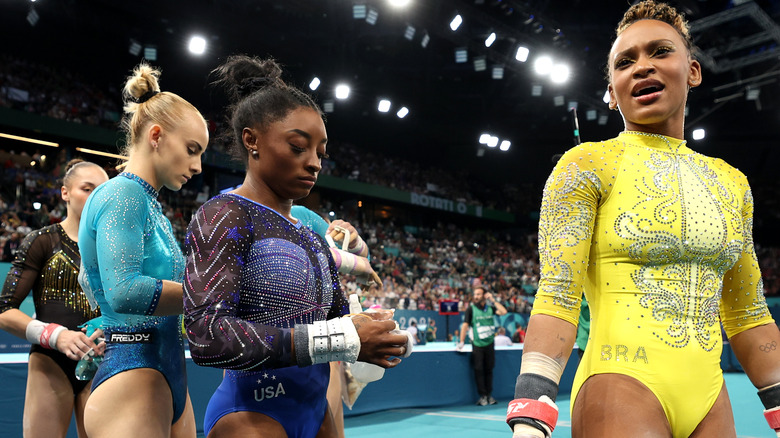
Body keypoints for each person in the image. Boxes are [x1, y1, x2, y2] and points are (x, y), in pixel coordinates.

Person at [505, 2, 780, 437]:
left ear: (692, 71)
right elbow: (558, 296)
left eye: (660, 52)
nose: (642, 67)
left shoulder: (732, 184)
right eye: (625, 62)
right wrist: (530, 408)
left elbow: (748, 313)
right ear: (612, 93)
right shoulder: (586, 165)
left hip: (710, 394)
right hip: (619, 382)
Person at [183, 55, 410, 438]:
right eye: (298, 147)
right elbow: (206, 334)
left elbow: (338, 322)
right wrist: (342, 338)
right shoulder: (225, 213)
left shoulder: (309, 235)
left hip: (316, 410)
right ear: (251, 140)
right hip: (252, 414)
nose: (314, 163)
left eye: (321, 152)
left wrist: (376, 333)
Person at [78, 63, 208, 438]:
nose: (198, 166)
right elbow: (125, 290)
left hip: (165, 374)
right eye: (192, 150)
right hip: (133, 376)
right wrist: (210, 296)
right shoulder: (123, 194)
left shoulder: (151, 206)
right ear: (156, 136)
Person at [0, 159, 108, 437]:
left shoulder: (114, 251)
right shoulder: (41, 241)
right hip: (50, 363)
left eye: (103, 191)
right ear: (65, 193)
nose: (96, 197)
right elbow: (4, 310)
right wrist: (56, 336)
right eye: (87, 188)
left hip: (102, 360)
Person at [458, 286, 507, 406]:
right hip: (477, 345)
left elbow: (504, 312)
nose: (476, 296)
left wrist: (493, 300)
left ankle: (489, 396)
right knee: (479, 370)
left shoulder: (490, 308)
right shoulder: (471, 309)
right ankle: (483, 396)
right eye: (475, 294)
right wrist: (461, 341)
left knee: (489, 370)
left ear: (485, 296)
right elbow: (465, 325)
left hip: (490, 344)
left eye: (479, 294)